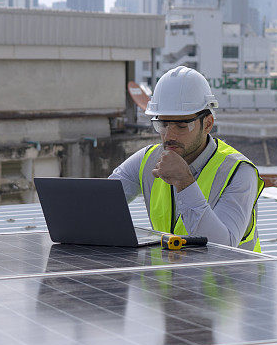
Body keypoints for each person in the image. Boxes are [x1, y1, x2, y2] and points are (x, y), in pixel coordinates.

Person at [109, 66, 264, 251]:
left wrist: (185, 183)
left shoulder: (238, 171)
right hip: (171, 278)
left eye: (182, 125)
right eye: (163, 124)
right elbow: (99, 203)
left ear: (207, 124)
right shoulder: (147, 160)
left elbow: (222, 248)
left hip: (228, 280)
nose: (168, 135)